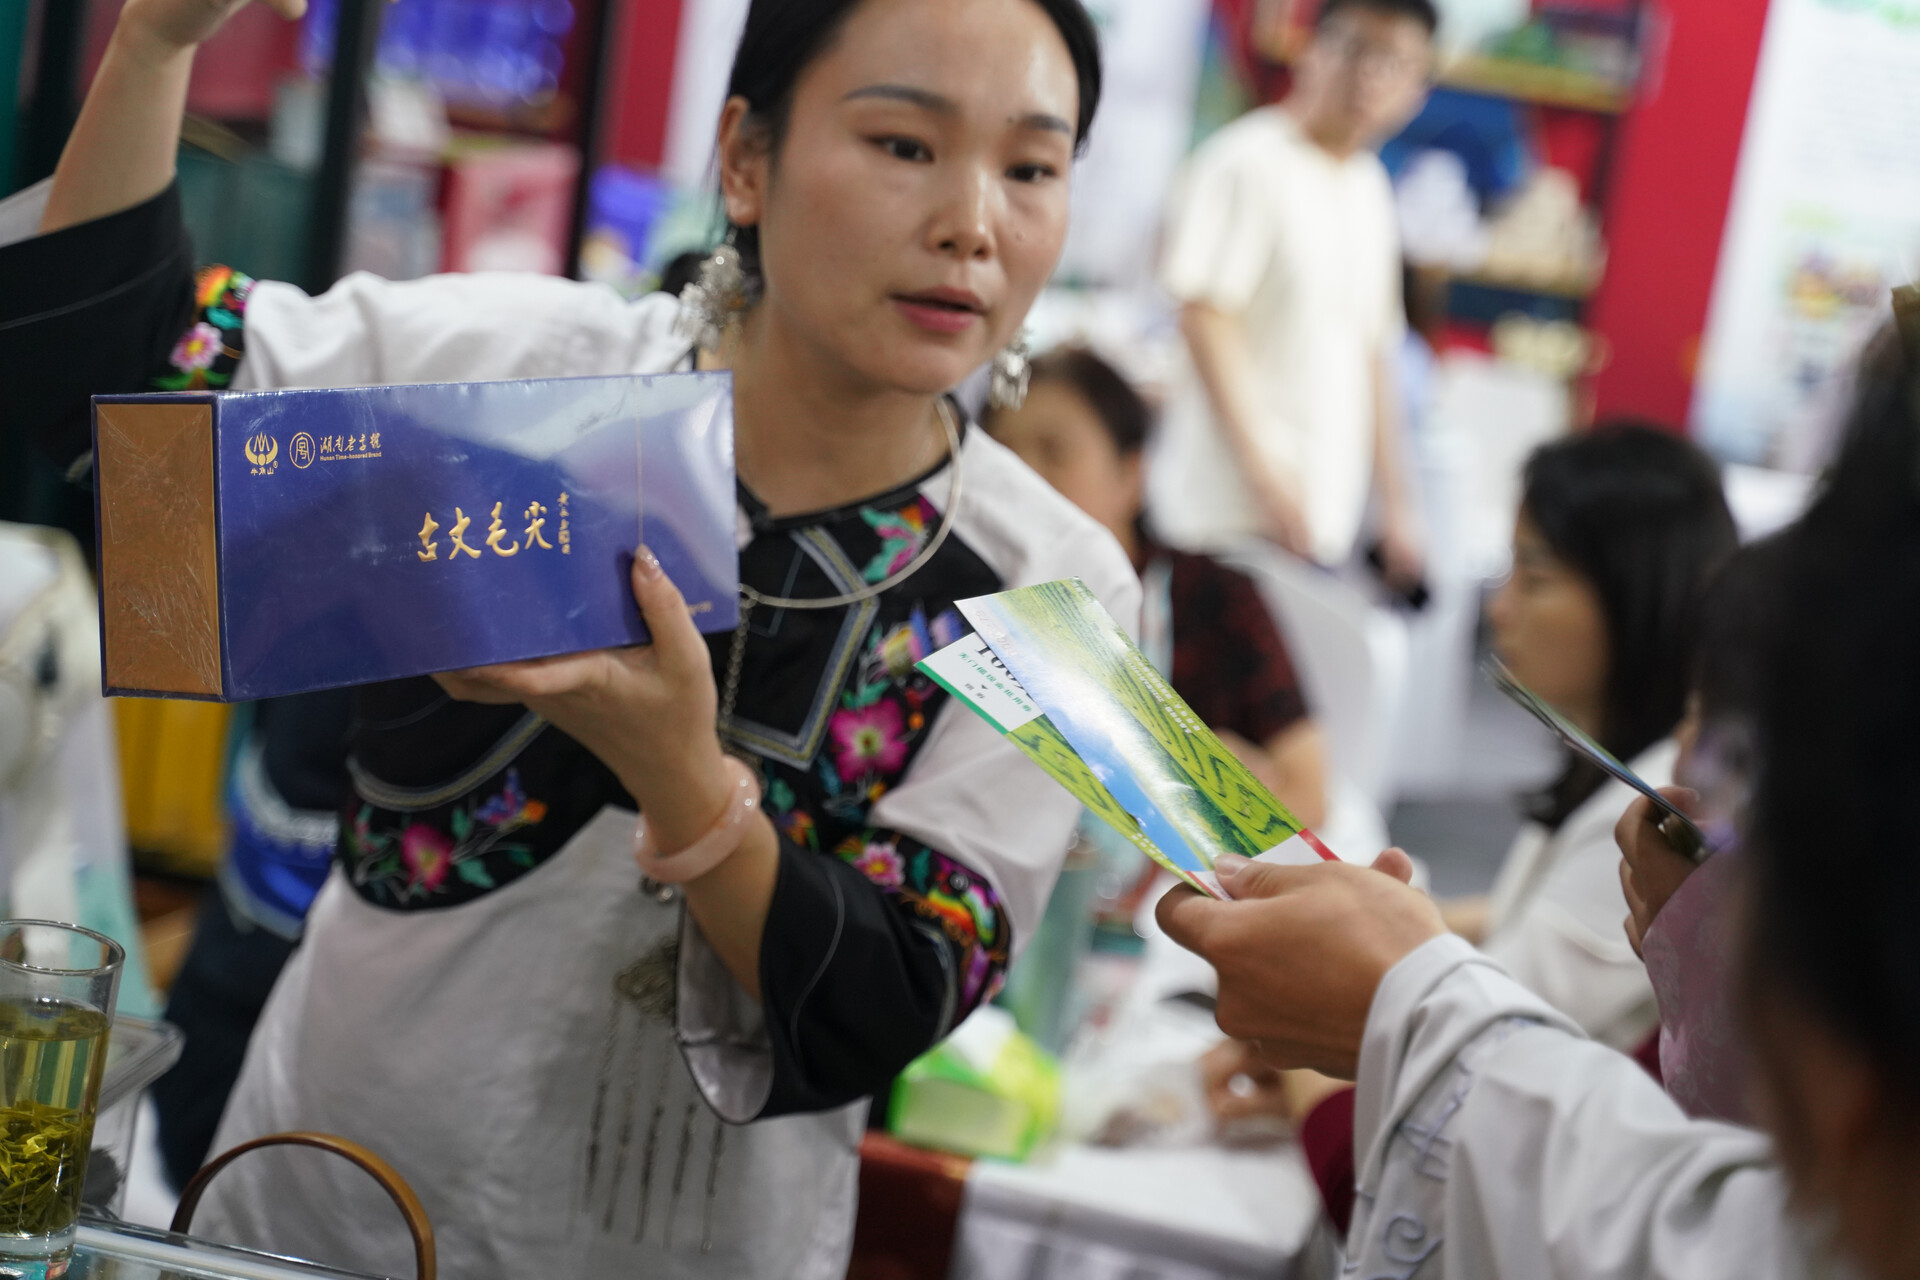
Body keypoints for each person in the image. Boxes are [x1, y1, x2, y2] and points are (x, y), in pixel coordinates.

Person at [3, 1, 1136, 1276]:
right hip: (325, 1209)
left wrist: (684, 780)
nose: (973, 221)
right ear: (745, 158)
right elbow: (120, 391)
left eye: (1031, 167)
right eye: (905, 145)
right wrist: (154, 45)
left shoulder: (1059, 590)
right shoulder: (515, 374)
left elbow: (895, 995)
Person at [1156, 318, 1920, 1280]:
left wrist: (1372, 1013)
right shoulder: (1625, 815)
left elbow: (1543, 1165)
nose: (1501, 606)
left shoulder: (1658, 827)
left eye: (1539, 575)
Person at [1444, 423, 1737, 1049]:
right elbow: (1535, 915)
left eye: (1535, 577)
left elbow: (1470, 1038)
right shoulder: (1612, 760)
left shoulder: (1653, 811)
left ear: (1635, 596)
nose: (1500, 608)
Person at [1150, 0, 1434, 587]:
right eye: (1356, 49)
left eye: (1395, 62)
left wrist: (1398, 505)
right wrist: (1266, 477)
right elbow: (1206, 317)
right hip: (1224, 515)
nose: (1370, 76)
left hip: (1315, 519)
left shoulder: (1368, 187)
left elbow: (1376, 352)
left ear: (1418, 90)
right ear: (1311, 49)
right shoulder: (1248, 162)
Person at [985, 346, 1327, 829]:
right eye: (1002, 455)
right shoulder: (968, 603)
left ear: (1132, 474)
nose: (1023, 478)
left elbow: (1307, 797)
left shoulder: (1215, 599)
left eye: (1053, 451)